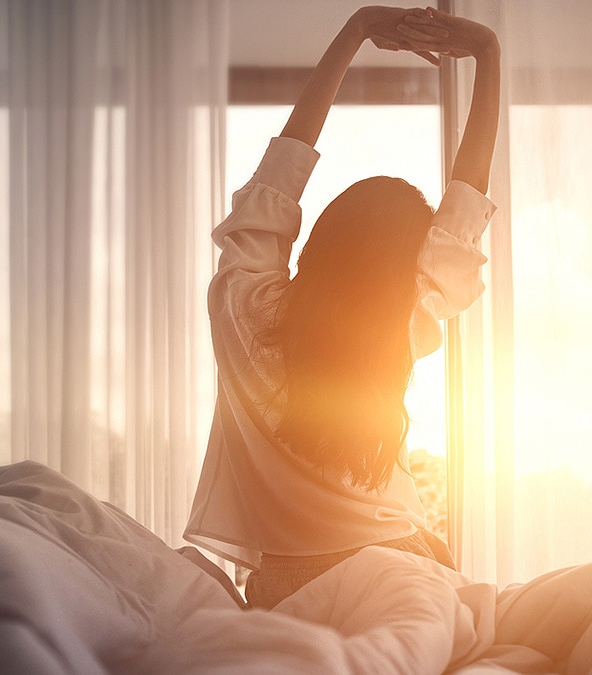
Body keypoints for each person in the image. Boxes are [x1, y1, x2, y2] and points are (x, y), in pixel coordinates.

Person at [184, 5, 500, 610]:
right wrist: (487, 53)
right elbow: (466, 203)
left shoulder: (240, 304)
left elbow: (279, 175)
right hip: (403, 567)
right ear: (404, 267)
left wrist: (355, 31)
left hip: (284, 586)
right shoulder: (401, 323)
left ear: (321, 237)